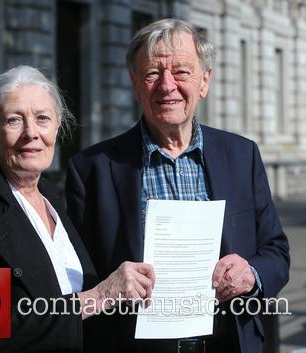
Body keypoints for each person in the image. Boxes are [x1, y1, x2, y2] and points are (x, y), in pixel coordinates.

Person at [66, 19, 290, 353]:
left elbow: (276, 251)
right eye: (152, 73)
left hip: (230, 343)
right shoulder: (91, 169)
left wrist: (251, 274)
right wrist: (111, 286)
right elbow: (79, 278)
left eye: (182, 72)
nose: (167, 86)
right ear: (135, 84)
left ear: (205, 82)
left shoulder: (242, 155)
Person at [0, 65, 155, 353]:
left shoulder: (50, 196)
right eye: (13, 120)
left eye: (42, 119)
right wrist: (100, 295)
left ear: (57, 128)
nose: (31, 133)